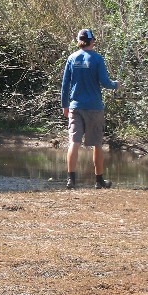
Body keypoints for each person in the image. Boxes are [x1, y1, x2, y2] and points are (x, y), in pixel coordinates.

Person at [60, 29, 119, 189]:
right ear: (92, 41)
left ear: (79, 41)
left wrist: (64, 105)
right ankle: (99, 181)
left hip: (75, 107)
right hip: (94, 107)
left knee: (74, 142)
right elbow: (105, 83)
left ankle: (71, 180)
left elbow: (65, 85)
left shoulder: (72, 58)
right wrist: (116, 84)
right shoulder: (97, 59)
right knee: (97, 144)